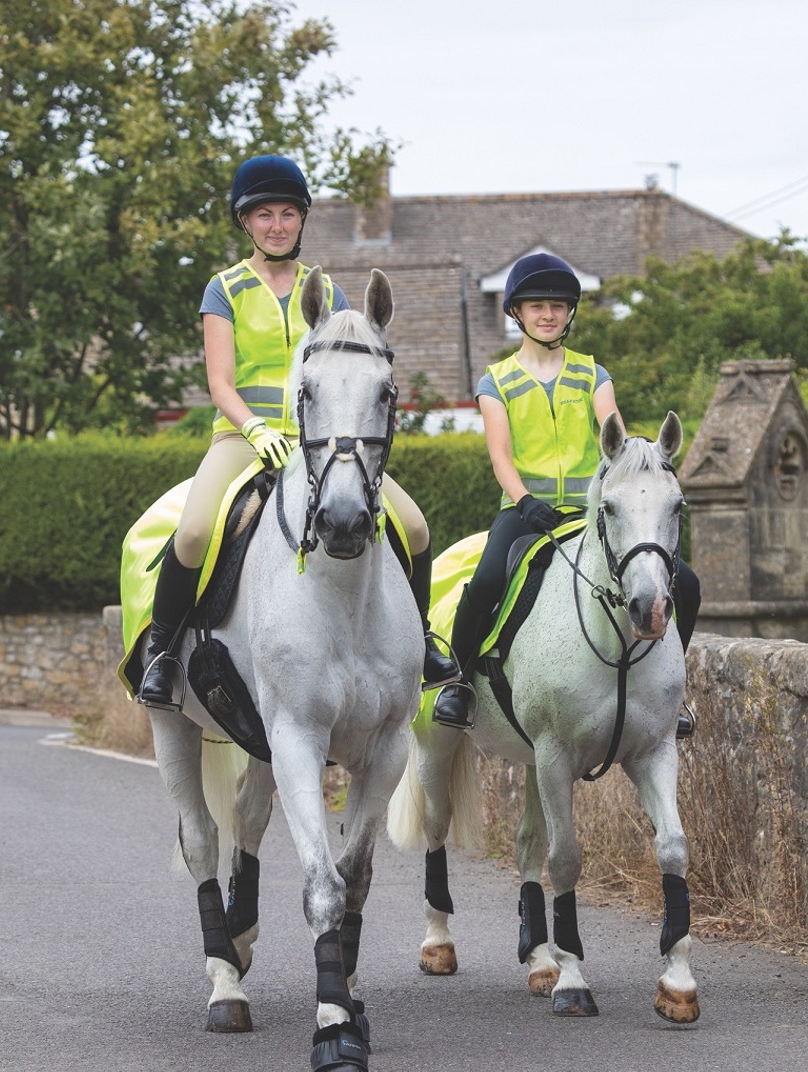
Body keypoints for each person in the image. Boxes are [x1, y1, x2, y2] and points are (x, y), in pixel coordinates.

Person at [140, 153, 457, 706]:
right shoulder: (225, 289)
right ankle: (163, 655)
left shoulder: (327, 292)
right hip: (242, 439)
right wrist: (256, 429)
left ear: (303, 219)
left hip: (326, 447)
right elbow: (220, 384)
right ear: (246, 222)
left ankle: (423, 639)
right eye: (265, 215)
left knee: (417, 526)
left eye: (288, 214)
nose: (278, 225)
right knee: (192, 533)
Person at [433, 252, 700, 732]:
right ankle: (458, 683)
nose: (548, 314)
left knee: (688, 583)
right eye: (536, 306)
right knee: (488, 581)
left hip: (588, 511)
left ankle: (673, 695)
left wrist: (640, 462)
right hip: (525, 509)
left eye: (557, 305)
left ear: (569, 312)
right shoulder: (496, 380)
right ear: (516, 312)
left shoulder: (592, 374)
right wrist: (524, 501)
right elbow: (500, 457)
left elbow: (612, 430)